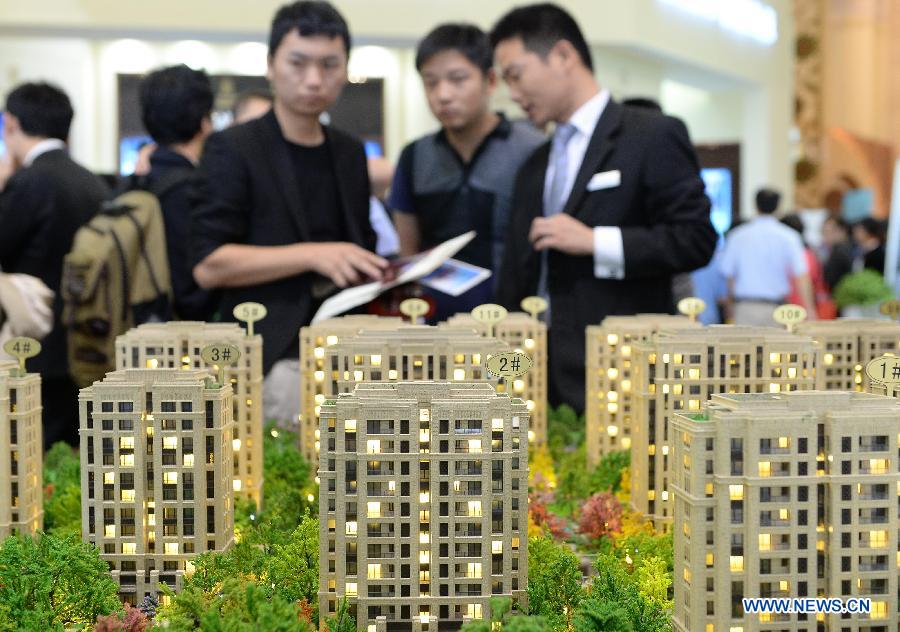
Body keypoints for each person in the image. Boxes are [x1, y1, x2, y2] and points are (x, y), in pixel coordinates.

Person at [490, 4, 716, 412]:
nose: (512, 92)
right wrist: (503, 376)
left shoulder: (651, 135)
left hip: (624, 377)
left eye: (515, 74)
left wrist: (596, 242)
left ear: (562, 55)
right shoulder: (534, 165)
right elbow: (517, 278)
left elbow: (696, 239)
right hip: (539, 385)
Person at [191, 0, 386, 423]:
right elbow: (209, 265)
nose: (314, 79)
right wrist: (314, 253)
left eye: (330, 65)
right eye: (298, 63)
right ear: (271, 65)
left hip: (348, 349)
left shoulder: (350, 152)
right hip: (274, 352)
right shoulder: (234, 148)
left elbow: (358, 245)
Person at [389, 23, 544, 318]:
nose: (443, 95)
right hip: (435, 324)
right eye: (430, 82)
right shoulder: (415, 156)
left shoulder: (531, 150)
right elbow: (409, 252)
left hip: (513, 323)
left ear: (490, 80)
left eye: (457, 79)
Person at [0, 81, 110, 447]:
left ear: (11, 123)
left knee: (29, 458)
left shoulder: (29, 181)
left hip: (33, 341)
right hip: (85, 341)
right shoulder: (92, 181)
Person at [139, 64, 216, 321]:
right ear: (204, 123)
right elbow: (192, 293)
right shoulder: (193, 190)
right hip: (176, 340)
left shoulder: (135, 184)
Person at [719, 189, 815, 326]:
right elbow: (801, 275)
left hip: (745, 307)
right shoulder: (789, 236)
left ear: (755, 205)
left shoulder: (738, 235)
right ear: (778, 207)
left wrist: (730, 305)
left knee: (744, 347)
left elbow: (729, 275)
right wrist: (809, 310)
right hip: (777, 310)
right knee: (775, 347)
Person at [781, 213, 834, 319]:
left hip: (794, 308)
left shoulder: (802, 255)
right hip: (801, 308)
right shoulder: (809, 254)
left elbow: (810, 280)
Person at [820, 215, 854, 290]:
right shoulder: (839, 249)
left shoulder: (841, 252)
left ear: (843, 231)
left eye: (828, 232)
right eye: (823, 232)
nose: (825, 236)